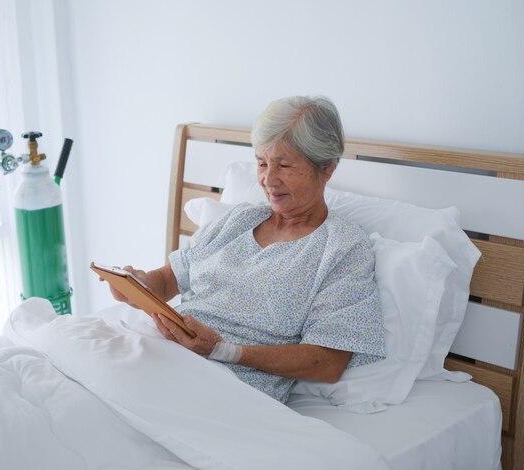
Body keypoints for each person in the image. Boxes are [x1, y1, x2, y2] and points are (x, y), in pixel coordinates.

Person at [101, 96, 385, 403]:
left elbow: (328, 364)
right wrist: (138, 286)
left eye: (285, 165)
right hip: (159, 351)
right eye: (262, 163)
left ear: (326, 169)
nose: (268, 179)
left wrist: (224, 351)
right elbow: (168, 281)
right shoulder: (238, 220)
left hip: (225, 387)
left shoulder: (343, 249)